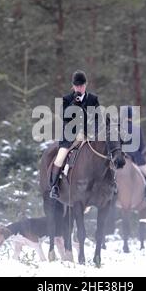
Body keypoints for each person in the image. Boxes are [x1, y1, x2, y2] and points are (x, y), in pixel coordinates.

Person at [49, 70, 100, 199]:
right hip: (70, 137)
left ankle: (108, 184)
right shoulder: (67, 99)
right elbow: (64, 116)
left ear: (86, 85)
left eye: (81, 85)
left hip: (87, 137)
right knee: (60, 158)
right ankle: (54, 187)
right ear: (73, 86)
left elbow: (97, 118)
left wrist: (94, 131)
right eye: (77, 86)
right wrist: (74, 104)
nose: (79, 88)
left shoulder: (93, 99)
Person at [121, 106, 146, 202]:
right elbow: (141, 146)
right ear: (131, 116)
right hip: (136, 158)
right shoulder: (137, 128)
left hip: (120, 157)